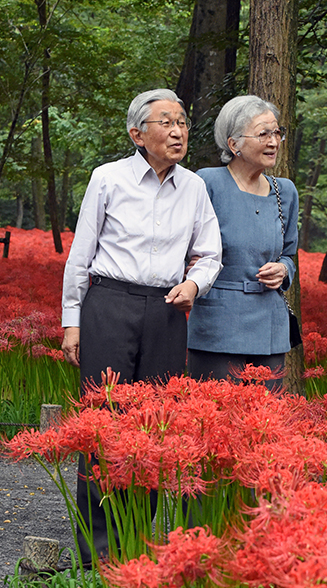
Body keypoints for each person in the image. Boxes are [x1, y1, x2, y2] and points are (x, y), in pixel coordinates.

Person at [61, 88, 222, 562]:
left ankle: (134, 546)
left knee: (155, 429)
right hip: (109, 304)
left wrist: (195, 285)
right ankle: (94, 553)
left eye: (183, 123)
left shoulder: (194, 186)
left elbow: (211, 252)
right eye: (166, 122)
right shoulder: (107, 178)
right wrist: (72, 321)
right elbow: (81, 254)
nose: (178, 131)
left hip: (167, 312)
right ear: (138, 134)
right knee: (101, 428)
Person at [187, 95, 299, 387]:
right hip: (217, 328)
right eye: (263, 133)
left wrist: (284, 271)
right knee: (214, 421)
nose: (274, 141)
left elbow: (289, 254)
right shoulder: (207, 182)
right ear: (233, 144)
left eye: (277, 133)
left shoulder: (284, 192)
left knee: (266, 424)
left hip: (270, 329)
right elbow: (185, 243)